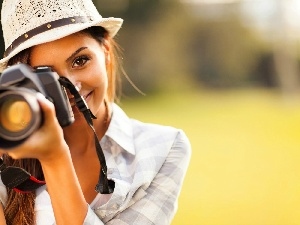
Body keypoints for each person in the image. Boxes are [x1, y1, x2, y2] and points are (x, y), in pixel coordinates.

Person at [0, 0, 191, 224]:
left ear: (106, 52)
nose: (71, 88)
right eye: (46, 76)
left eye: (80, 61)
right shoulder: (7, 153)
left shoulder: (164, 147)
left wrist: (55, 158)